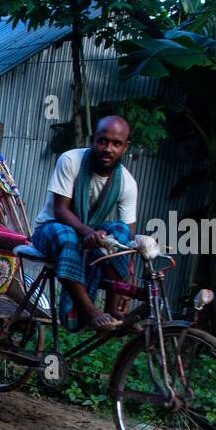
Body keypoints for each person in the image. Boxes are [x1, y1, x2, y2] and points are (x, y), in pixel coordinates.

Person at [31, 116, 138, 331]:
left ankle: (111, 310)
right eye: (103, 141)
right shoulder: (71, 161)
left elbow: (128, 232)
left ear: (125, 148)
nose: (108, 148)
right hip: (50, 229)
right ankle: (89, 311)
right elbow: (60, 209)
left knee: (120, 232)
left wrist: (112, 247)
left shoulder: (127, 182)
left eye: (116, 144)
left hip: (88, 235)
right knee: (68, 235)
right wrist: (88, 233)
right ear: (92, 140)